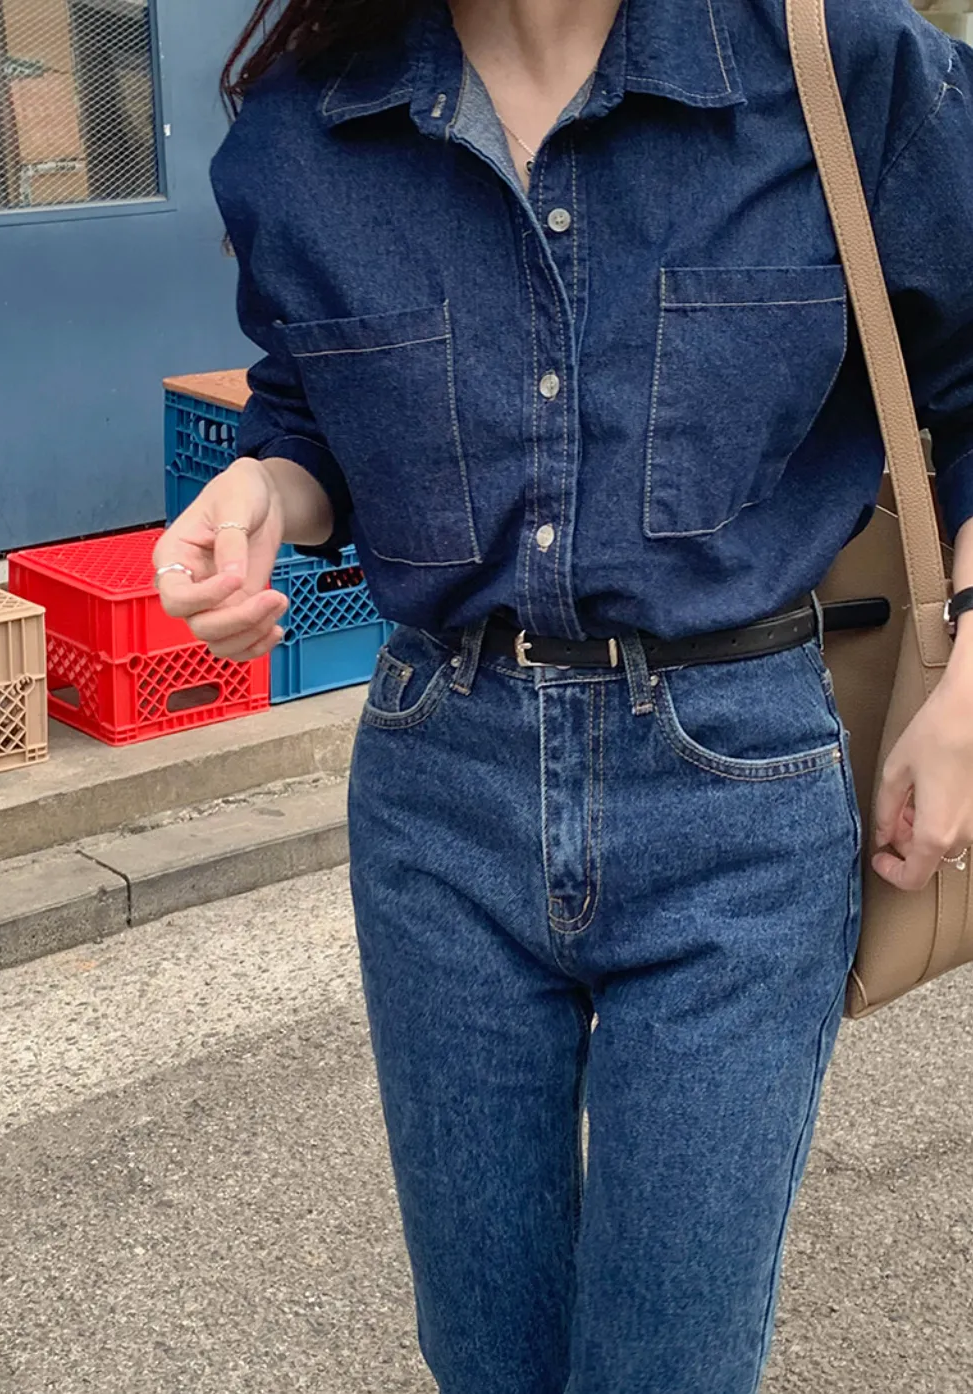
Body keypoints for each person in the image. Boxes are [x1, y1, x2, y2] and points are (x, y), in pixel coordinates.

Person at [153, 0, 973, 1388]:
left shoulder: (841, 70)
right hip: (440, 789)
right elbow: (306, 415)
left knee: (669, 1361)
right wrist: (260, 493)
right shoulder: (309, 123)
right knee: (486, 1354)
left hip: (737, 791)